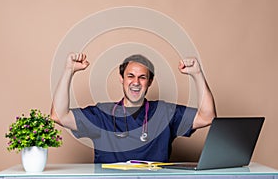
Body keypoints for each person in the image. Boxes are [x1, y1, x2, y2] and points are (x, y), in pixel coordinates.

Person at [51, 53, 216, 163]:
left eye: (142, 77)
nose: (136, 82)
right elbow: (59, 116)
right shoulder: (102, 115)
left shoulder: (165, 112)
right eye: (130, 76)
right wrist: (68, 70)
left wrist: (197, 74)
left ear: (149, 82)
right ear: (121, 79)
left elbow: (207, 117)